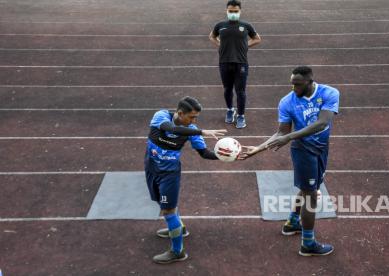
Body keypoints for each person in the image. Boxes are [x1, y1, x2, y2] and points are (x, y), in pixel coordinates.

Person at [241, 66, 339, 256]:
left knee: (307, 188)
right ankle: (308, 244)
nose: (294, 88)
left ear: (310, 82)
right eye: (292, 84)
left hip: (321, 148)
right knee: (310, 194)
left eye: (298, 84)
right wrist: (257, 149)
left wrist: (289, 137)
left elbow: (322, 123)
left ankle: (292, 223)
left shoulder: (329, 93)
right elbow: (282, 132)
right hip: (303, 151)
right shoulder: (287, 102)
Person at [144, 96, 226, 264]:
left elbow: (204, 153)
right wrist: (201, 131)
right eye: (192, 117)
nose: (194, 121)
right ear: (180, 113)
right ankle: (178, 227)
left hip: (169, 175)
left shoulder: (192, 130)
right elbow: (171, 129)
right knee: (162, 204)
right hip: (152, 169)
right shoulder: (161, 116)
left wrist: (225, 156)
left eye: (196, 117)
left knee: (168, 211)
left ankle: (177, 251)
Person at [209, 0, 261, 129]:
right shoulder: (220, 25)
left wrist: (245, 46)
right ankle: (230, 110)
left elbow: (257, 39)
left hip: (241, 62)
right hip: (224, 62)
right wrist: (219, 44)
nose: (233, 13)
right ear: (226, 11)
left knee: (241, 91)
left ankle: (241, 116)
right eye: (230, 11)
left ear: (240, 11)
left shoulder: (246, 25)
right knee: (227, 89)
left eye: (235, 11)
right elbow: (211, 36)